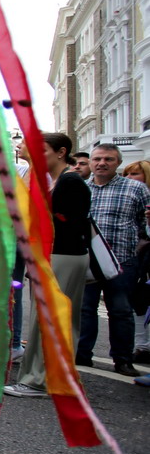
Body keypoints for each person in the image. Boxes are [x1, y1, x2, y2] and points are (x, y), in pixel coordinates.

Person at [5, 133, 91, 397]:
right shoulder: (59, 181)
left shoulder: (69, 182)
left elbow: (67, 223)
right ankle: (45, 378)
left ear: (61, 152)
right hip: (56, 254)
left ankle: (39, 381)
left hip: (63, 254)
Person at [76, 144, 150, 377]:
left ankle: (122, 359)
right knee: (85, 309)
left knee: (120, 310)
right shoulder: (82, 188)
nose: (101, 163)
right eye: (97, 159)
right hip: (88, 260)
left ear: (117, 162)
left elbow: (143, 224)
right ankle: (82, 354)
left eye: (108, 159)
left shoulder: (136, 189)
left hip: (122, 260)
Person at [121, 160, 150, 365]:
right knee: (137, 303)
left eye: (136, 174)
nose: (131, 179)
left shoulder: (141, 197)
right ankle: (141, 346)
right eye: (128, 174)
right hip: (136, 256)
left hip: (140, 255)